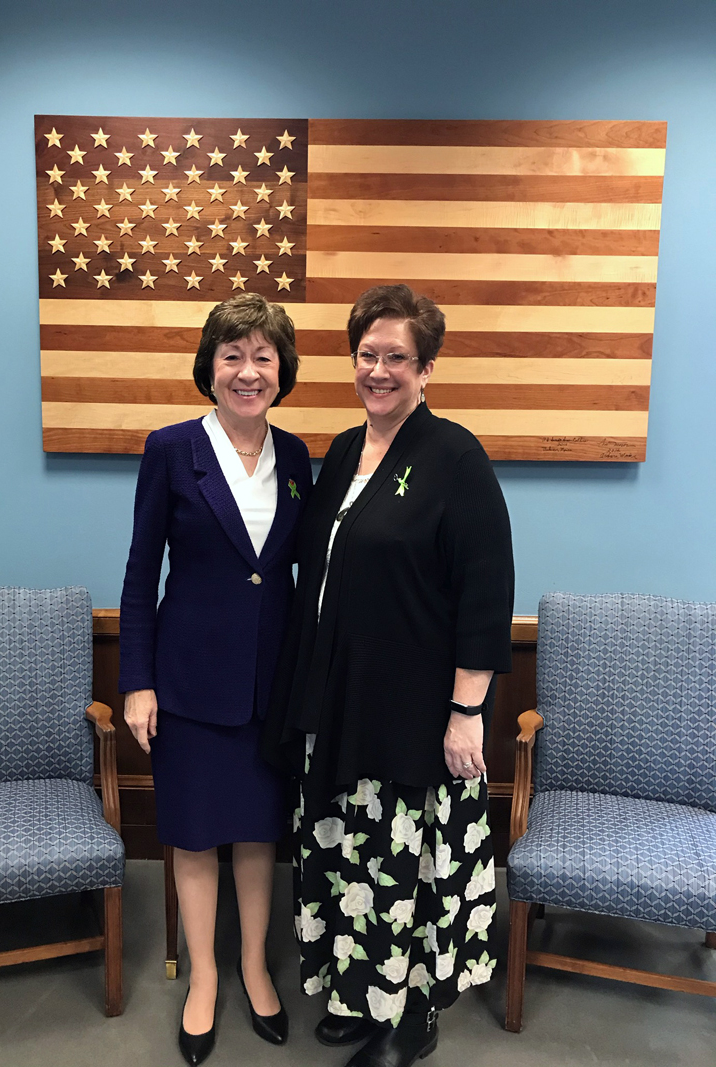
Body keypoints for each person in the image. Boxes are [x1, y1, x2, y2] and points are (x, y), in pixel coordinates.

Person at [263, 284, 514, 1067]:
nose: (378, 370)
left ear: (426, 367)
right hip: (338, 703)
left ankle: (411, 1015)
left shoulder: (455, 458)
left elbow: (487, 588)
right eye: (367, 355)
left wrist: (467, 710)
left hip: (413, 715)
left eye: (396, 357)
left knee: (406, 865)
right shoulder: (342, 450)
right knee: (351, 860)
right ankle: (360, 994)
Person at [119, 292, 312, 1066]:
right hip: (189, 681)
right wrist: (137, 679)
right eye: (233, 354)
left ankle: (254, 964)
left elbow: (306, 571)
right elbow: (140, 575)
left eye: (263, 356)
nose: (248, 370)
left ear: (281, 371)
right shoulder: (170, 449)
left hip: (274, 684)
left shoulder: (297, 457)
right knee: (196, 836)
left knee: (261, 831)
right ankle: (204, 978)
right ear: (210, 366)